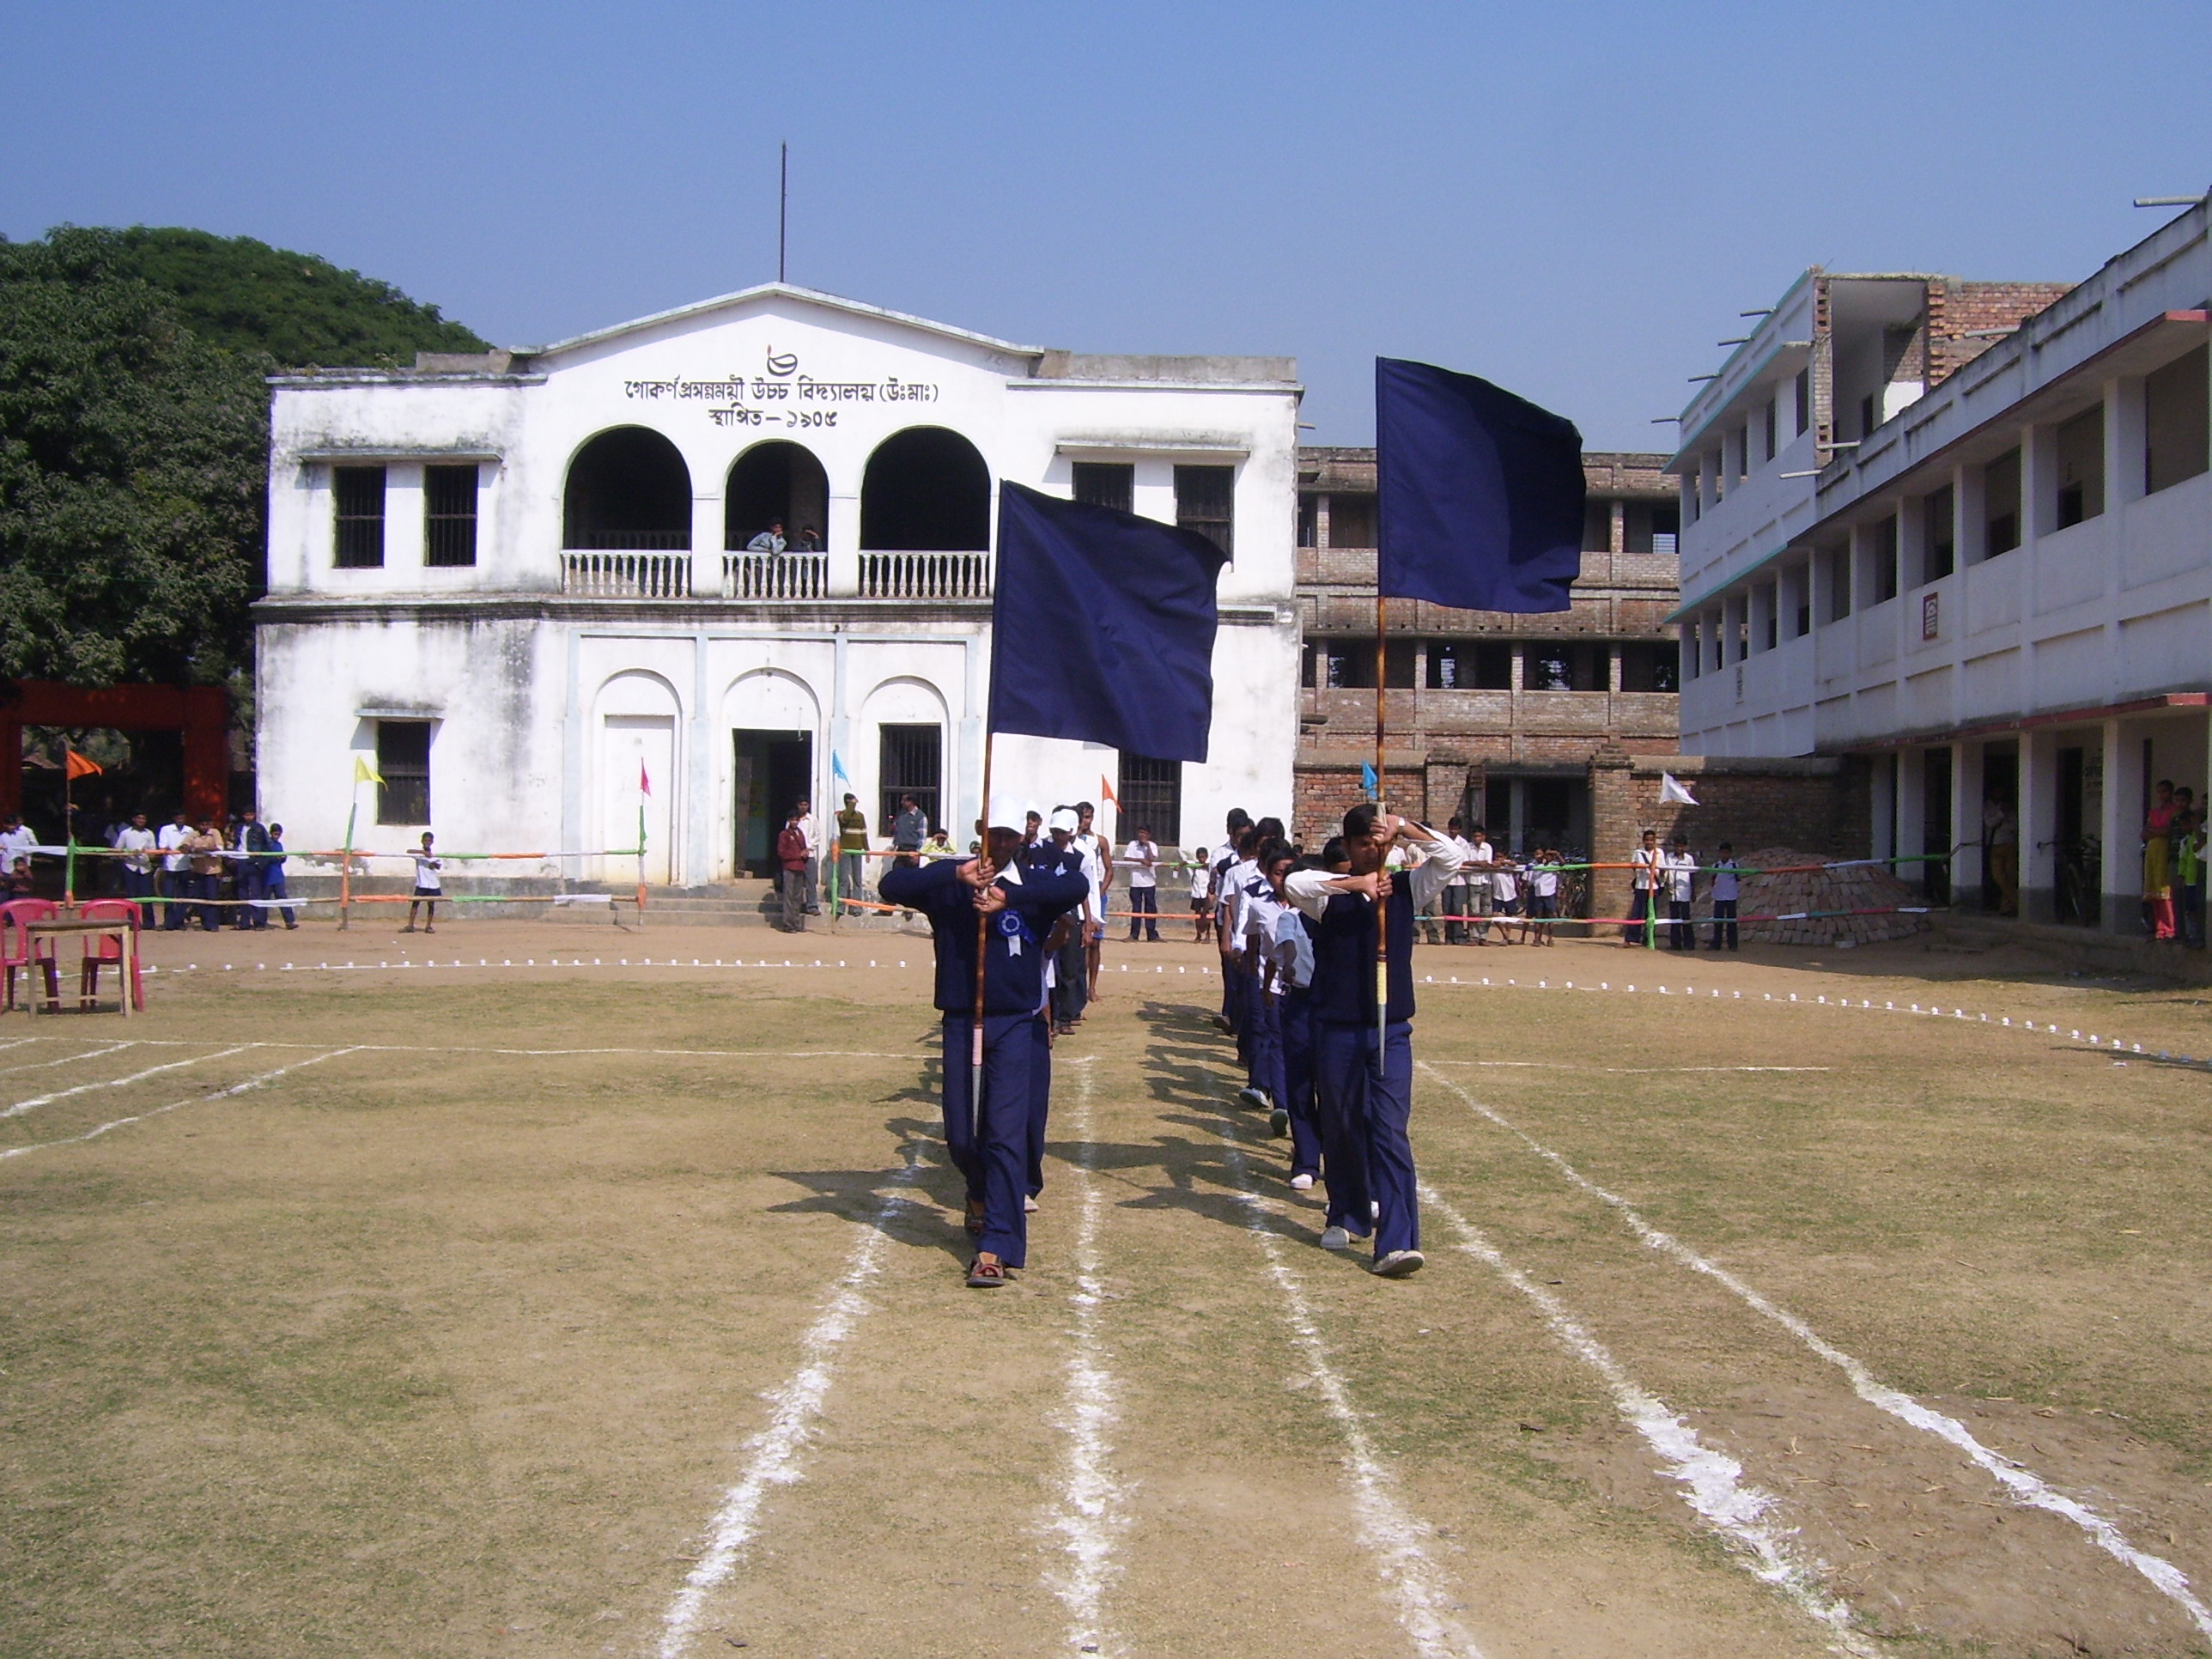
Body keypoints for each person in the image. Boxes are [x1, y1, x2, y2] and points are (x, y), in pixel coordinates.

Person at [878, 825, 1085, 1287]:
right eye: (996, 835)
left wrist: (1009, 899)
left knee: (1005, 1135)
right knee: (962, 1135)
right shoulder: (952, 881)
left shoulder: (1031, 885)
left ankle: (998, 1245)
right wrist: (956, 876)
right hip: (960, 1020)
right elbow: (891, 886)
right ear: (981, 832)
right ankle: (977, 1190)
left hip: (1015, 1024)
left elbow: (1078, 885)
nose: (1003, 844)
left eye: (1011, 837)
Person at [1283, 806, 1465, 1277]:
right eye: (1366, 842)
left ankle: (1397, 1242)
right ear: (1349, 844)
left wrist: (1405, 827)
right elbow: (1293, 885)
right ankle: (1346, 1211)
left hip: (1390, 1030)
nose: (1375, 849)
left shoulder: (1409, 887)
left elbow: (1450, 857)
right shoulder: (1326, 895)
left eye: (1380, 841)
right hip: (1337, 1029)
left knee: (1389, 1130)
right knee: (1342, 1126)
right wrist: (1355, 885)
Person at [1044, 809, 1089, 1034]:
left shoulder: (1078, 858)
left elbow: (1084, 891)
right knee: (1050, 969)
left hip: (1070, 915)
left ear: (1070, 833)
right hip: (1047, 915)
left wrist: (1088, 922)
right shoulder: (1043, 852)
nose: (1057, 835)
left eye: (1061, 832)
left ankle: (1067, 1015)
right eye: (1054, 831)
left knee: (1070, 967)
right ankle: (1051, 1017)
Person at [1073, 802, 1112, 1000]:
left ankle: (1092, 987)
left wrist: (1100, 891)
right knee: (1078, 941)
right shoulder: (1071, 839)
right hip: (1077, 890)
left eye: (1087, 817)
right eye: (1081, 817)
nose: (1084, 821)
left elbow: (1109, 869)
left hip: (1095, 892)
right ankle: (1077, 989)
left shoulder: (1100, 841)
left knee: (1095, 942)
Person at [2142, 779, 2176, 939]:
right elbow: (2144, 833)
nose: (2162, 795)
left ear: (2170, 792)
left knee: (2165, 890)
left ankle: (2170, 928)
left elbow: (2168, 831)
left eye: (2165, 791)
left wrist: (2155, 831)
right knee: (2153, 891)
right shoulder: (2154, 812)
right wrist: (2158, 831)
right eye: (2159, 792)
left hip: (2165, 853)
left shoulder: (2174, 811)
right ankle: (2159, 927)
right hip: (2152, 853)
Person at [232, 806, 273, 929]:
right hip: (241, 862)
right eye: (246, 815)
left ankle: (259, 922)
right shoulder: (239, 828)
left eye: (250, 815)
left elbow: (268, 846)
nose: (248, 817)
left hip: (253, 863)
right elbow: (236, 843)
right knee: (242, 893)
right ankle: (244, 922)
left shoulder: (259, 829)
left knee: (256, 893)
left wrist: (260, 864)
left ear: (254, 815)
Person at [184, 817, 227, 930]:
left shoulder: (215, 833)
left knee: (211, 897)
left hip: (212, 871)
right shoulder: (193, 834)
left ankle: (213, 924)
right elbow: (184, 845)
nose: (204, 827)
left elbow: (219, 847)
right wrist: (192, 849)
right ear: (198, 825)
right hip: (198, 870)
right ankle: (204, 922)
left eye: (207, 824)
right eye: (202, 824)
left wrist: (207, 849)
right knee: (200, 897)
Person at [2176, 800, 2206, 950]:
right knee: (2189, 909)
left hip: (2198, 879)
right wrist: (2180, 875)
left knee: (2197, 909)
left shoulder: (2200, 837)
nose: (2185, 828)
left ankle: (2198, 936)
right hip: (2188, 880)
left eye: (2187, 824)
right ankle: (2191, 935)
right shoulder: (2185, 841)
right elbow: (2182, 860)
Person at [1984, 791, 2020, 918]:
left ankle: (2006, 906)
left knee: (2010, 876)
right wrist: (2001, 814)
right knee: (1998, 876)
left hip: (2009, 844)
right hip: (1995, 845)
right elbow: (1989, 823)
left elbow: (2015, 826)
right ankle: (2018, 901)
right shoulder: (1988, 807)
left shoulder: (2009, 808)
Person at [1123, 825, 1161, 940]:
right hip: (1135, 882)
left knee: (1150, 908)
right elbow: (1126, 858)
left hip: (1149, 882)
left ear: (1149, 835)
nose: (1142, 835)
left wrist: (1147, 845)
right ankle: (1134, 935)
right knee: (1136, 909)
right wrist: (1140, 860)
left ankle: (1152, 935)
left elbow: (1152, 859)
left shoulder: (1152, 845)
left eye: (1145, 833)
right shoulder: (1132, 844)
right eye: (1140, 832)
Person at [775, 804, 810, 933]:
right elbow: (782, 852)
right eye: (792, 820)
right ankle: (788, 923)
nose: (795, 822)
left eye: (796, 819)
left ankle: (796, 922)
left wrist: (805, 854)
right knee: (789, 897)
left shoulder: (800, 833)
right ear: (789, 821)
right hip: (789, 867)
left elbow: (804, 847)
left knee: (798, 897)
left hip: (800, 867)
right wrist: (797, 855)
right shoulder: (784, 835)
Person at [1626, 828, 1662, 945]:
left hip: (1654, 886)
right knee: (1636, 912)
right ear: (1643, 841)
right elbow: (1633, 867)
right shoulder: (1638, 853)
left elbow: (1662, 870)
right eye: (1647, 840)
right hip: (1641, 885)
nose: (1649, 842)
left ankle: (1648, 939)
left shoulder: (1659, 853)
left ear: (1654, 841)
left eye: (1651, 840)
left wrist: (1654, 869)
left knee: (1650, 913)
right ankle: (1631, 938)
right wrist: (1643, 867)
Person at [835, 793, 870, 914]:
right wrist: (851, 806)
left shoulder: (860, 816)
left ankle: (856, 907)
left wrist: (867, 850)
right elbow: (846, 819)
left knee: (857, 880)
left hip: (857, 850)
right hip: (845, 850)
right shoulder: (841, 815)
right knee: (844, 879)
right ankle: (840, 907)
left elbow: (864, 833)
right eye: (850, 801)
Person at [157, 810, 193, 929]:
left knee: (182, 896)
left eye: (183, 817)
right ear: (174, 818)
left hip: (185, 865)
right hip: (170, 866)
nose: (180, 820)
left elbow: (191, 846)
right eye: (178, 817)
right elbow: (163, 847)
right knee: (168, 895)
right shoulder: (166, 829)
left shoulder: (190, 830)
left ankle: (180, 921)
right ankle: (169, 922)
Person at [1439, 817, 1471, 945]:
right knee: (1447, 909)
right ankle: (1449, 937)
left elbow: (1465, 861)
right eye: (1451, 829)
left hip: (1460, 881)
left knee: (1457, 909)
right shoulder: (1444, 841)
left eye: (1455, 829)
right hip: (1446, 880)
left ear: (1460, 830)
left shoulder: (1464, 844)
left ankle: (1459, 936)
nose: (1452, 831)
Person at [1664, 833, 1698, 951]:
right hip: (1673, 891)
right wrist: (1667, 884)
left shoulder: (1689, 859)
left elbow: (1692, 875)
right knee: (1674, 918)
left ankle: (1689, 943)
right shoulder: (1669, 857)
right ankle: (1675, 943)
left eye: (1681, 846)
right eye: (1676, 846)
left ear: (1685, 847)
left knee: (1686, 918)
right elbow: (1666, 872)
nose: (1678, 849)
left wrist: (1693, 891)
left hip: (1685, 891)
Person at [1464, 823, 1496, 944]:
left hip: (1486, 881)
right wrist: (1478, 863)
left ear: (1483, 837)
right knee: (1474, 910)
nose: (1476, 838)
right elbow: (1465, 862)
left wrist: (1475, 863)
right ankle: (1473, 936)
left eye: (1479, 836)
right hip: (1473, 881)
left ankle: (1483, 936)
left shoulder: (1488, 847)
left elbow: (1486, 863)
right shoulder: (1468, 847)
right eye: (1475, 836)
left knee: (1486, 910)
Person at [115, 811, 157, 903]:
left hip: (145, 868)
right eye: (139, 818)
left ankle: (148, 918)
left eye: (143, 819)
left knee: (147, 898)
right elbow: (117, 852)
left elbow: (153, 854)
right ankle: (131, 918)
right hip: (130, 867)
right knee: (131, 897)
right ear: (134, 819)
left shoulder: (149, 834)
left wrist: (146, 853)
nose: (141, 820)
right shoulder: (125, 833)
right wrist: (130, 854)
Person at [404, 831, 442, 933]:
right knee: (415, 904)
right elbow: (408, 851)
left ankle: (428, 926)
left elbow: (439, 867)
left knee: (431, 905)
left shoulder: (435, 854)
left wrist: (433, 864)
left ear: (432, 842)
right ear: (422, 841)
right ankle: (410, 925)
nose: (427, 843)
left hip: (433, 884)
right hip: (422, 883)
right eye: (425, 840)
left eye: (429, 841)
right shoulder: (419, 853)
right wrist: (422, 853)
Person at [264, 822, 300, 928]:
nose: (277, 836)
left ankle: (289, 921)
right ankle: (261, 921)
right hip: (267, 876)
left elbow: (282, 858)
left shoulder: (279, 845)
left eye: (279, 834)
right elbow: (266, 859)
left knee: (282, 898)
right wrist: (276, 858)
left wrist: (283, 858)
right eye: (275, 834)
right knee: (264, 900)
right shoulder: (267, 845)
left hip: (277, 876)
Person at [1709, 842, 1744, 951]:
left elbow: (1738, 879)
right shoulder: (1716, 866)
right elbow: (1712, 879)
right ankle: (1716, 944)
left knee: (1731, 922)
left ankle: (1732, 945)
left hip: (1731, 897)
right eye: (1722, 853)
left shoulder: (1734, 866)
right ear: (1719, 853)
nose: (1724, 855)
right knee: (1718, 922)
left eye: (1726, 853)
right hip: (1719, 897)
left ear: (1730, 854)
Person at [1526, 847, 1559, 946]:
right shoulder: (1537, 867)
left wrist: (1557, 854)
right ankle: (1537, 938)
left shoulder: (1554, 865)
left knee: (1550, 916)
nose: (1547, 857)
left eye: (1550, 856)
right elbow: (1531, 881)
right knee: (1538, 916)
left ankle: (1550, 938)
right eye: (1546, 855)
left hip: (1549, 894)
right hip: (1538, 894)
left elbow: (1563, 864)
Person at [795, 799, 822, 915]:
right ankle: (796, 906)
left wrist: (808, 848)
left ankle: (812, 906)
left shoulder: (812, 820)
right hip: (796, 855)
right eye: (801, 805)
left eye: (805, 805)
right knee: (797, 883)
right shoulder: (794, 820)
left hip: (809, 855)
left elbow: (817, 837)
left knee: (811, 882)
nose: (803, 807)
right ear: (798, 805)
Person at [0, 814, 35, 898]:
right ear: (5, 825)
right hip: (6, 869)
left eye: (13, 825)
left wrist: (26, 868)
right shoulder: (2, 837)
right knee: (4, 894)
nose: (12, 827)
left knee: (20, 894)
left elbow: (26, 852)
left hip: (20, 871)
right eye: (9, 825)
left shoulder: (22, 835)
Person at [1188, 846, 1213, 945]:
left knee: (1207, 915)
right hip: (1196, 894)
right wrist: (1178, 866)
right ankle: (1198, 934)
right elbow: (1185, 862)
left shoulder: (1209, 867)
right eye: (1200, 857)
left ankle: (1208, 935)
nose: (1202, 859)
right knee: (1197, 914)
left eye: (1204, 857)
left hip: (1206, 893)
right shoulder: (1195, 866)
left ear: (1206, 857)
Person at [891, 793, 927, 861]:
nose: (902, 802)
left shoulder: (920, 816)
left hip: (912, 850)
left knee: (911, 871)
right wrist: (894, 845)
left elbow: (922, 837)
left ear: (911, 802)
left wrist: (917, 854)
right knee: (897, 870)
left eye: (904, 800)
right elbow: (897, 831)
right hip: (901, 849)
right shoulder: (901, 815)